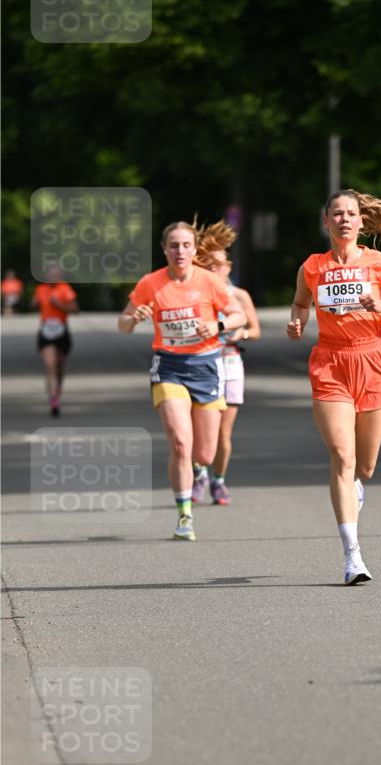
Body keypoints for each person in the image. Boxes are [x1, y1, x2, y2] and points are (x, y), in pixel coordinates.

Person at [286, 189, 381, 585]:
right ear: (326, 222)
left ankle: (355, 487)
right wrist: (297, 322)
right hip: (330, 362)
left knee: (365, 466)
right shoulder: (311, 267)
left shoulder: (380, 264)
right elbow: (299, 303)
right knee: (342, 459)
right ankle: (353, 558)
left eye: (351, 214)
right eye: (336, 214)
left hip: (372, 360)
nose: (344, 220)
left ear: (361, 222)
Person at [118, 221, 246, 541]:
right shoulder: (151, 283)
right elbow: (123, 324)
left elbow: (239, 315)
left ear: (194, 250)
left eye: (186, 245)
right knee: (179, 442)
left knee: (204, 453)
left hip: (206, 366)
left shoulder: (209, 281)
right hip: (169, 366)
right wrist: (134, 318)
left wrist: (217, 325)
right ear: (165, 250)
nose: (180, 251)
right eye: (174, 245)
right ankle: (184, 515)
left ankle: (201, 470)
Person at [191, 219, 261, 505]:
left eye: (219, 264)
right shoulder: (196, 294)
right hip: (201, 364)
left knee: (223, 431)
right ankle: (199, 475)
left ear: (228, 267)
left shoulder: (239, 296)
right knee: (201, 428)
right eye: (209, 265)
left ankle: (218, 480)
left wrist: (241, 332)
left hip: (231, 363)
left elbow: (255, 330)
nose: (215, 269)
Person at [31, 264, 78, 416]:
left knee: (59, 368)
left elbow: (75, 309)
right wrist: (35, 303)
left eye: (56, 275)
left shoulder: (65, 289)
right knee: (50, 366)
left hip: (61, 331)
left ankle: (57, 393)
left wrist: (59, 304)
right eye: (51, 275)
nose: (53, 278)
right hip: (46, 331)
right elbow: (33, 303)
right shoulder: (41, 289)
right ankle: (53, 399)